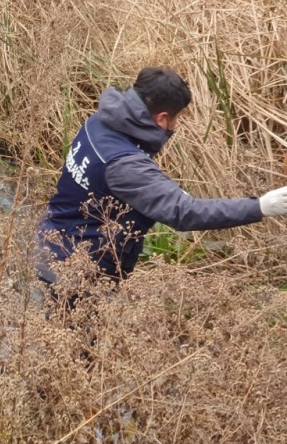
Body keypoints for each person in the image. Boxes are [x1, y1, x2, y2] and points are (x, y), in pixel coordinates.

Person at [36, 66, 287, 297]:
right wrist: (261, 206)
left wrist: (163, 190)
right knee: (78, 343)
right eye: (175, 119)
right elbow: (184, 213)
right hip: (78, 270)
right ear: (161, 118)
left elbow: (118, 183)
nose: (174, 126)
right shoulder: (125, 165)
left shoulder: (99, 123)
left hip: (53, 243)